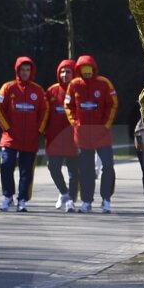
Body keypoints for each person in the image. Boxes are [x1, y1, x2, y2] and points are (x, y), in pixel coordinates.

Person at [64, 54, 118, 213]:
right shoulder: (74, 85)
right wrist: (75, 123)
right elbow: (68, 106)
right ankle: (86, 201)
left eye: (89, 71)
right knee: (86, 169)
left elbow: (112, 105)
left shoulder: (104, 84)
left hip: (102, 135)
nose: (87, 74)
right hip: (82, 136)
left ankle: (106, 199)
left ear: (94, 70)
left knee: (108, 167)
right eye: (84, 72)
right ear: (79, 71)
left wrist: (106, 125)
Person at [0, 56, 49, 212]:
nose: (25, 73)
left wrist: (39, 130)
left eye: (28, 70)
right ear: (17, 71)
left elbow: (45, 111)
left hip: (30, 140)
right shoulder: (7, 88)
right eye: (22, 70)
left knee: (26, 171)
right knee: (6, 165)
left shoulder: (38, 91)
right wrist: (7, 127)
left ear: (31, 71)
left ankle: (22, 200)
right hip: (10, 138)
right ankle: (7, 196)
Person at [44, 59, 79, 212]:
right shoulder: (51, 91)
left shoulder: (79, 90)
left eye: (68, 71)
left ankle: (71, 200)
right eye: (62, 72)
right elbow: (44, 114)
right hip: (54, 139)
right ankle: (63, 193)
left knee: (73, 172)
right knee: (53, 167)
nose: (65, 74)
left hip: (73, 139)